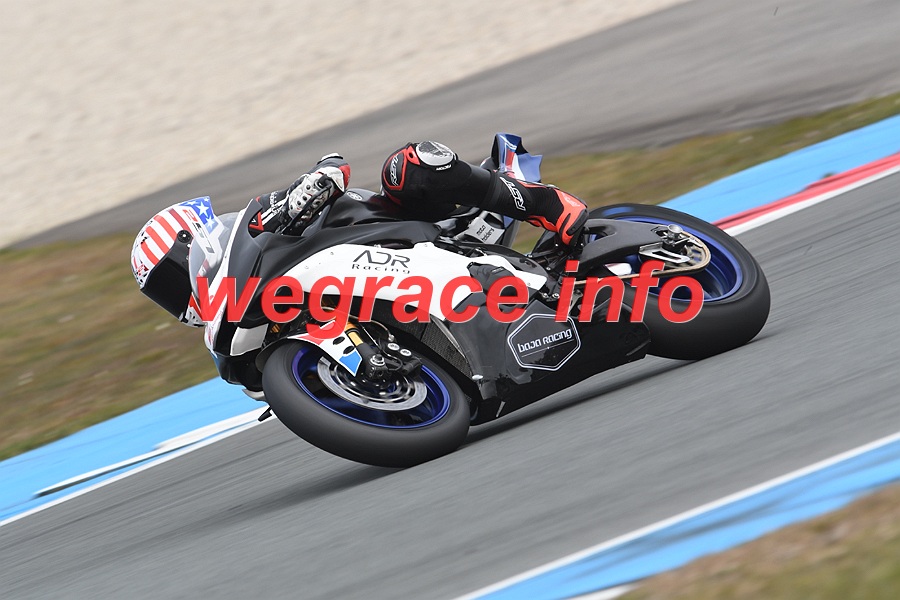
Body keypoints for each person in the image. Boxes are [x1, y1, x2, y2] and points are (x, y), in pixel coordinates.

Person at [132, 140, 588, 326]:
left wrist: (310, 188)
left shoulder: (262, 226)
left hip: (407, 230)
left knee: (407, 166)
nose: (177, 298)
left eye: (170, 279)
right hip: (406, 303)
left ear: (196, 242)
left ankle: (546, 204)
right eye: (163, 293)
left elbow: (333, 167)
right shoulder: (240, 322)